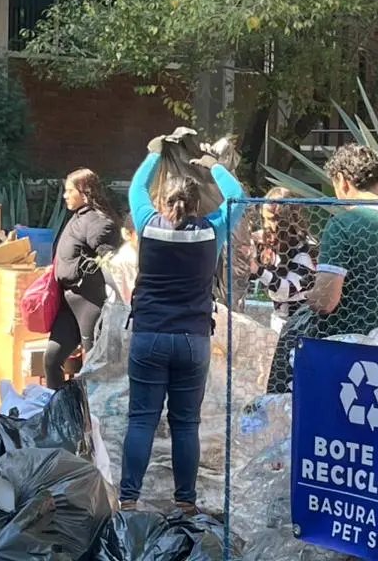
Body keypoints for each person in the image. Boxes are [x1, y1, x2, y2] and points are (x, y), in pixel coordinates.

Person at [119, 139, 243, 514]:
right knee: (186, 423)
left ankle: (129, 499)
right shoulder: (212, 231)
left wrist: (154, 153)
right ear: (197, 204)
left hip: (150, 335)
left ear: (163, 202)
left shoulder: (147, 225)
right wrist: (213, 165)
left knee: (142, 420)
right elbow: (239, 197)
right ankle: (185, 502)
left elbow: (136, 187)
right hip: (192, 339)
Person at [265, 145, 378, 393]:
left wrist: (310, 296)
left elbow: (326, 301)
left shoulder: (343, 225)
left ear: (342, 181)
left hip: (352, 354)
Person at [45, 168, 121, 390]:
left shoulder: (98, 222)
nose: (65, 196)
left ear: (85, 192)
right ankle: (58, 407)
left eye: (70, 191)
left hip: (89, 301)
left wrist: (88, 271)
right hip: (69, 300)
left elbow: (110, 260)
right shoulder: (78, 217)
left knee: (93, 364)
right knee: (51, 359)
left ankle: (94, 410)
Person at [250, 187, 317, 330]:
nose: (266, 225)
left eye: (271, 220)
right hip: (279, 319)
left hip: (302, 324)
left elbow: (286, 291)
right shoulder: (270, 242)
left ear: (287, 221)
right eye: (264, 219)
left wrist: (259, 271)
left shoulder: (305, 249)